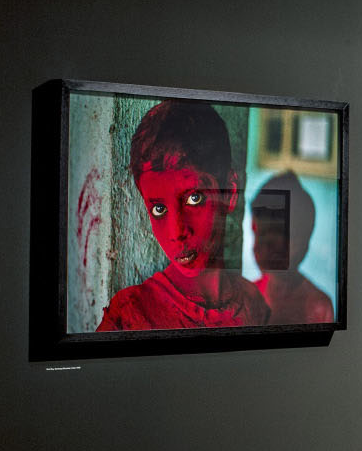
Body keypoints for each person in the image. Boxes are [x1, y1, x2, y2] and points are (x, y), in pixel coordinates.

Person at [97, 100, 269, 331]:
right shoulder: (129, 316)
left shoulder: (253, 304)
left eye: (194, 198)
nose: (177, 232)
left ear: (229, 192)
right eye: (159, 209)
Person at [249, 169, 335, 325]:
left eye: (269, 239)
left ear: (298, 242)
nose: (256, 248)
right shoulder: (248, 297)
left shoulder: (319, 307)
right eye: (256, 234)